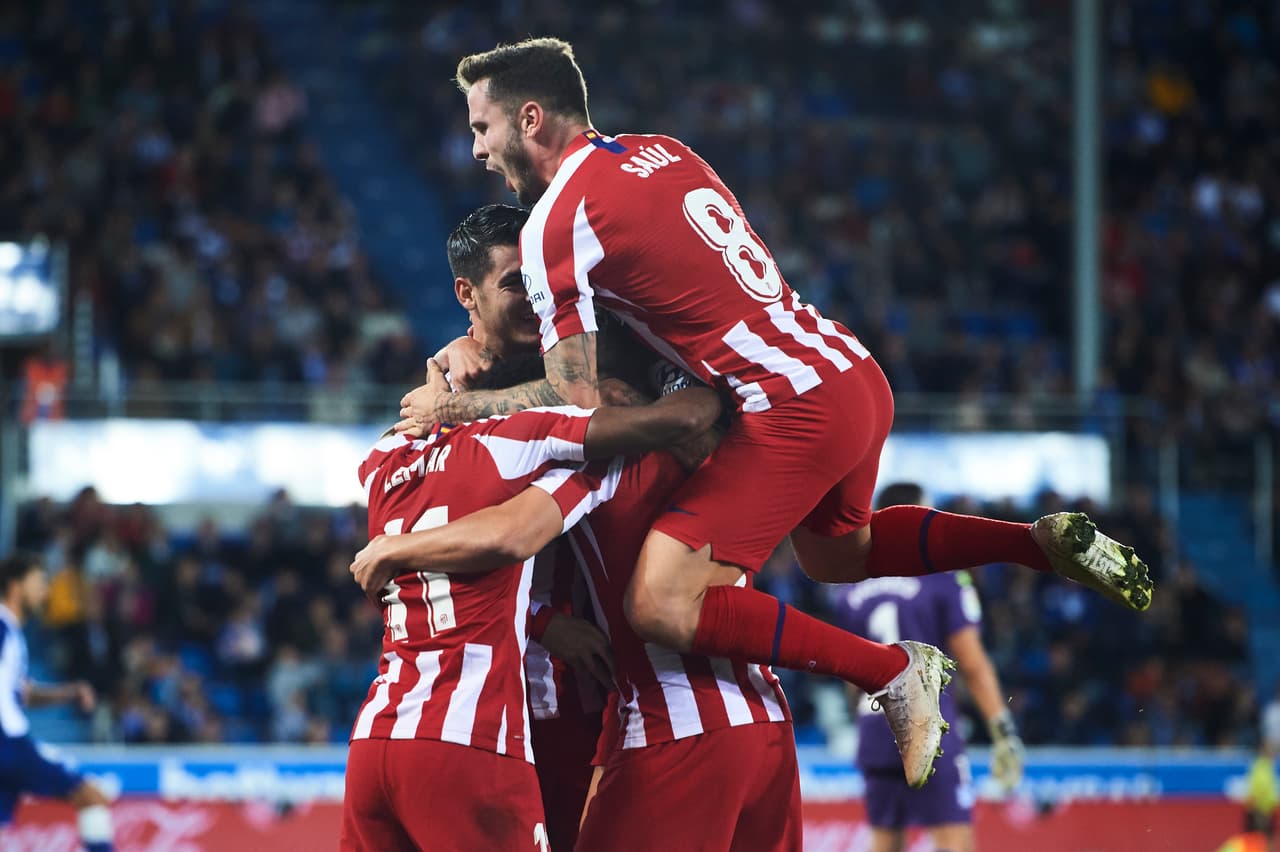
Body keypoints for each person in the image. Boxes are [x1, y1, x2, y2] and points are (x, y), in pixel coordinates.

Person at [395, 35, 1152, 785]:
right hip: (849, 371)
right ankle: (1038, 544)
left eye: (481, 127)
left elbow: (574, 395)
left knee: (658, 601)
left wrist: (451, 407)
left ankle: (893, 673)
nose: (475, 151)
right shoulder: (663, 151)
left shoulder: (558, 221)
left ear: (530, 119)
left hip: (790, 405)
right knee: (836, 555)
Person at [356, 368, 811, 850]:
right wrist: (545, 623)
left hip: (582, 708)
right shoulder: (528, 435)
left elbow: (511, 532)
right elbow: (692, 418)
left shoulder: (393, 457)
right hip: (555, 712)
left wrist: (396, 544)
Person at [444, 202, 611, 852]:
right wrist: (545, 623)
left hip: (580, 692)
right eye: (516, 282)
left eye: (540, 281)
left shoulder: (572, 366)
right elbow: (429, 548)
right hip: (490, 689)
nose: (535, 297)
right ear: (467, 292)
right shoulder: (446, 399)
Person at [833, 483, 1025, 852]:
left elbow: (849, 675)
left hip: (875, 727)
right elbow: (972, 662)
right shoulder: (943, 577)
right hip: (928, 727)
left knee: (884, 841)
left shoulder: (850, 585)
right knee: (952, 838)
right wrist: (1003, 729)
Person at [0, 554, 114, 852]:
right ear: (15, 586)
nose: (45, 591)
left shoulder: (11, 633)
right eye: (39, 582)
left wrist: (70, 692)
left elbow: (20, 694)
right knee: (90, 794)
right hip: (8, 745)